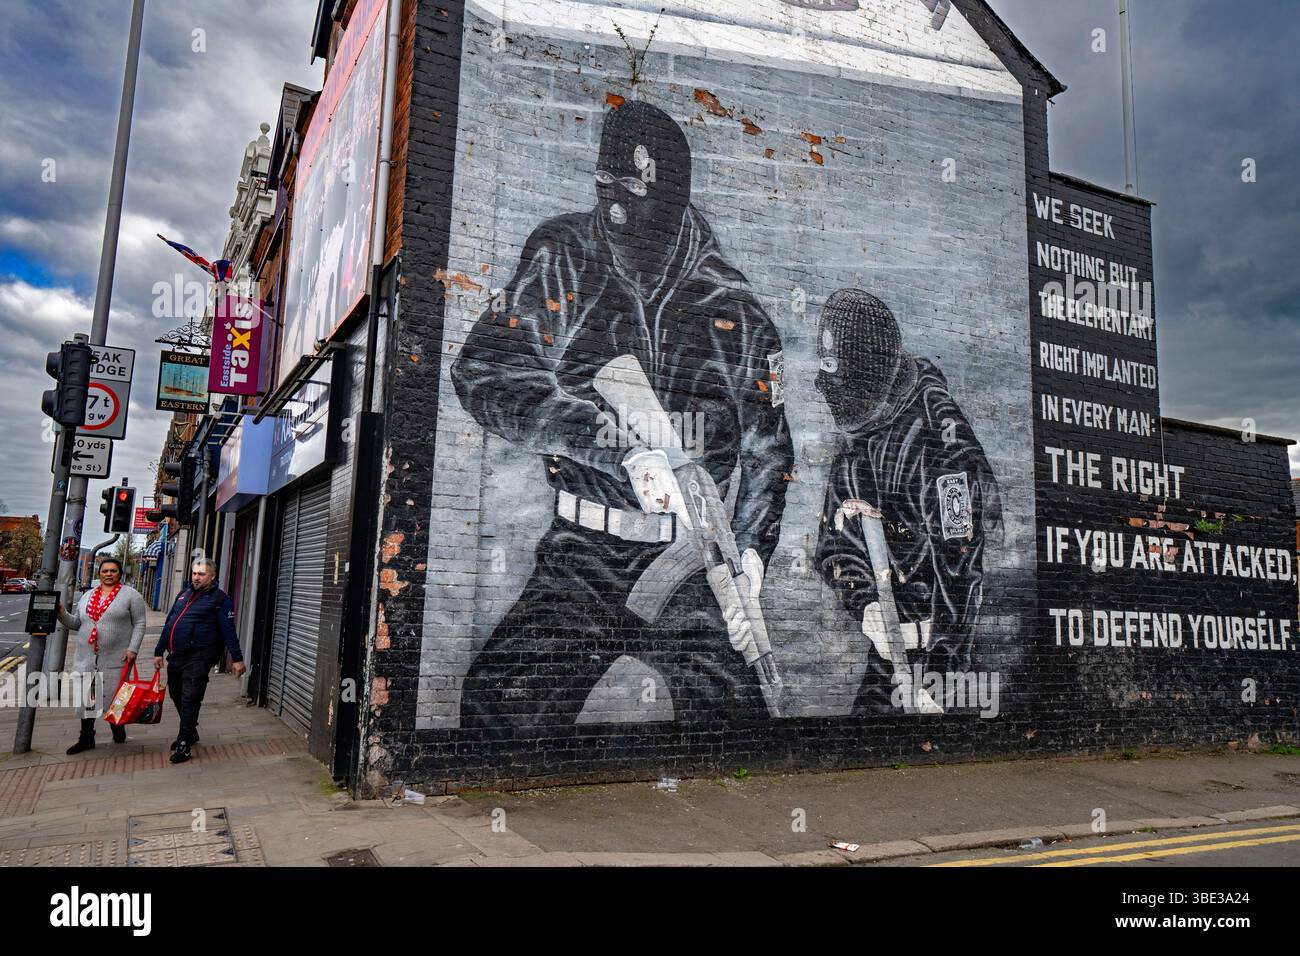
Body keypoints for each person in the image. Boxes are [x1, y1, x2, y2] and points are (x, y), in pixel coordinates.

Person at [451, 100, 793, 731]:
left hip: (693, 558)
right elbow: (486, 371)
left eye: (632, 191)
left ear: (673, 200)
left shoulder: (735, 311)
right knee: (498, 705)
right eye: (604, 188)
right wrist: (619, 452)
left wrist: (749, 555)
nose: (613, 209)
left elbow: (771, 452)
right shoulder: (565, 256)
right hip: (582, 552)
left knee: (737, 718)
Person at [813, 289, 1002, 715]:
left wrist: (940, 677)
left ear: (866, 375)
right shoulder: (858, 441)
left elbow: (961, 567)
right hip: (891, 657)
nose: (820, 384)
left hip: (940, 662)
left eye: (835, 372)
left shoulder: (943, 448)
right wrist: (867, 606)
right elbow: (834, 542)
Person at [152, 558, 245, 763]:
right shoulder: (183, 595)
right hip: (176, 655)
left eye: (201, 574)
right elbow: (169, 624)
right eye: (194, 573)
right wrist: (159, 651)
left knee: (190, 697)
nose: (196, 577)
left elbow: (229, 631)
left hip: (200, 655)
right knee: (175, 693)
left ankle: (184, 743)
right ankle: (191, 731)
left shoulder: (220, 600)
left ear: (212, 576)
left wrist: (237, 658)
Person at [57, 557, 148, 754]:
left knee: (115, 698)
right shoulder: (88, 595)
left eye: (113, 571)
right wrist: (62, 614)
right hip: (87, 657)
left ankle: (118, 729)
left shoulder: (131, 595)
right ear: (99, 574)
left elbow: (140, 623)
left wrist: (133, 649)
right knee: (87, 699)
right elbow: (77, 623)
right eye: (105, 571)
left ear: (120, 574)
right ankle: (86, 738)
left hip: (117, 658)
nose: (108, 574)